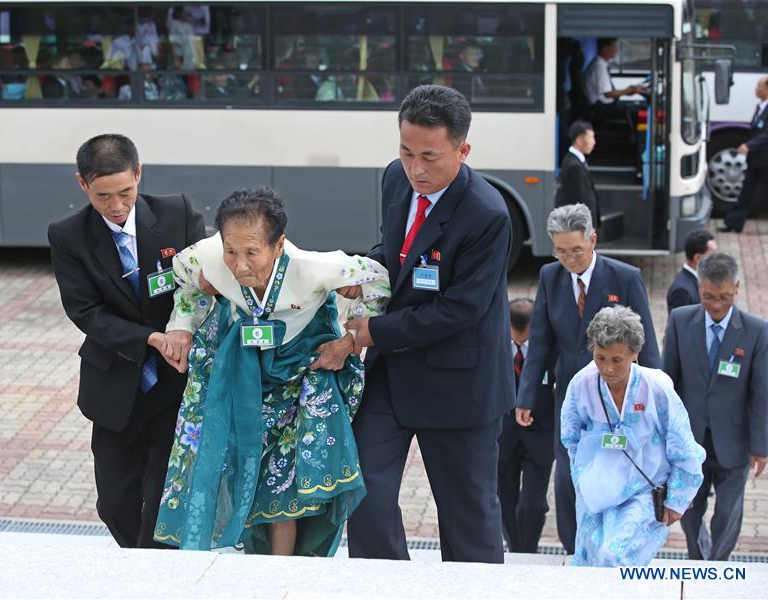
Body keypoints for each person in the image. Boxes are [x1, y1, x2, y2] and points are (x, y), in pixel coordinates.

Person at [153, 187, 390, 556]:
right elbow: (184, 283)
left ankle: (282, 569)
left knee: (283, 476)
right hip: (239, 364)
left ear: (278, 245)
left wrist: (349, 343)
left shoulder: (314, 267)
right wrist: (181, 325)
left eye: (252, 253)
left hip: (300, 370)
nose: (240, 264)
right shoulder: (204, 257)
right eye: (231, 251)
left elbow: (377, 279)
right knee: (219, 454)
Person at [345, 84, 514, 563]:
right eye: (405, 151)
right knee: (362, 488)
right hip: (393, 374)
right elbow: (394, 252)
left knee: (467, 518)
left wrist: (373, 331)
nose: (415, 169)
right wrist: (363, 276)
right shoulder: (394, 180)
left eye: (429, 157)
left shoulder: (487, 214)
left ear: (463, 150)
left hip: (460, 383)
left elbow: (461, 310)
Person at [47, 134, 206, 548]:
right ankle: (137, 562)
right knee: (115, 504)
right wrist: (149, 337)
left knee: (161, 506)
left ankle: (149, 576)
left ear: (139, 173)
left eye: (125, 193)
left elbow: (202, 284)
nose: (116, 206)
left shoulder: (177, 213)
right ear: (82, 185)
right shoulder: (69, 235)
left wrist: (182, 326)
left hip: (175, 384)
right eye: (103, 196)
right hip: (116, 384)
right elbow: (85, 312)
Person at [516, 202, 660, 555]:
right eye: (561, 251)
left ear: (593, 240)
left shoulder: (625, 278)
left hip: (618, 398)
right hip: (570, 396)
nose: (570, 259)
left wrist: (655, 398)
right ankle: (574, 550)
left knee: (613, 474)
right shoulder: (550, 277)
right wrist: (526, 395)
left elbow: (648, 344)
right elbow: (542, 343)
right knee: (567, 478)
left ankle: (611, 549)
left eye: (577, 250)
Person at [562, 306, 705, 567]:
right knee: (589, 556)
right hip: (597, 487)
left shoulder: (657, 389)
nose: (607, 369)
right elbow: (570, 437)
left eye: (617, 360)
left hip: (643, 488)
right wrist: (583, 478)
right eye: (600, 357)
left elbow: (681, 444)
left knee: (614, 553)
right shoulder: (581, 384)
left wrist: (678, 498)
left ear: (635, 354)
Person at [663, 252, 768, 561]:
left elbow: (760, 393)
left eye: (724, 297)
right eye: (708, 296)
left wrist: (760, 446)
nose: (716, 304)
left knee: (728, 511)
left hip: (733, 440)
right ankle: (699, 561)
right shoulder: (681, 320)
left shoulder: (756, 330)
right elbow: (668, 382)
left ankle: (718, 562)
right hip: (690, 439)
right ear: (699, 288)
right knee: (691, 509)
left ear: (737, 288)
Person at [497, 297, 555, 554]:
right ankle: (515, 548)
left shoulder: (551, 349)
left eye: (525, 340)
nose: (520, 344)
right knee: (505, 500)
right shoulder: (496, 346)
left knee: (533, 503)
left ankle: (527, 549)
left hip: (540, 435)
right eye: (516, 340)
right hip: (503, 436)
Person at [720, 77, 768, 234]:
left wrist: (748, 146)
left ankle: (734, 223)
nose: (756, 89)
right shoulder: (760, 108)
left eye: (759, 86)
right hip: (755, 160)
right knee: (746, 193)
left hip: (766, 160)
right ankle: (733, 223)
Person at [555, 121, 599, 232]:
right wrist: (588, 226)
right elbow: (580, 200)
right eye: (591, 138)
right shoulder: (575, 166)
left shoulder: (573, 160)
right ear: (579, 140)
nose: (594, 142)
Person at [584, 38, 645, 110]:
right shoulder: (599, 66)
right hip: (600, 108)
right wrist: (628, 90)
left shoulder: (602, 63)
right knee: (638, 110)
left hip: (605, 104)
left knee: (636, 106)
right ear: (605, 48)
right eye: (614, 46)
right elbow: (608, 94)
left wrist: (629, 90)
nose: (616, 50)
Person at [666, 229, 717, 313]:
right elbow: (681, 323)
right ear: (697, 257)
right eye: (712, 255)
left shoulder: (700, 278)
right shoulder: (682, 291)